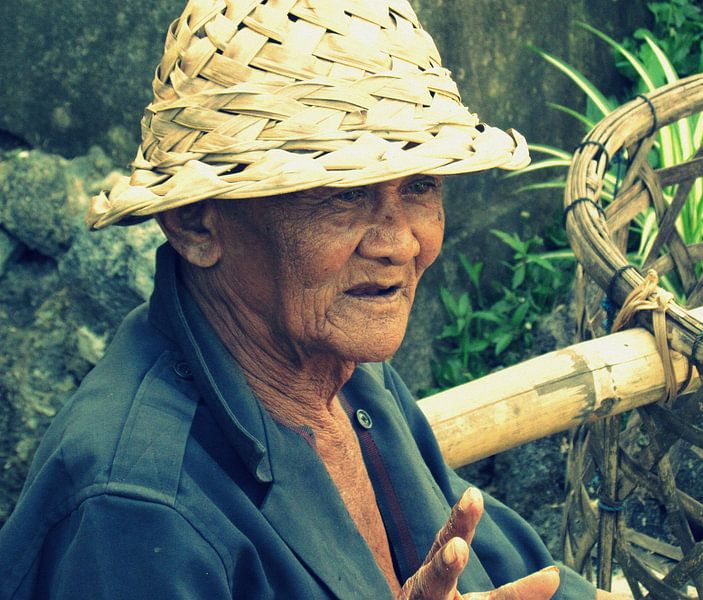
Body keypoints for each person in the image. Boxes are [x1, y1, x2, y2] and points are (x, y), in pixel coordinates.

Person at [0, 1, 624, 598]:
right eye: (342, 193)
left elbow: (508, 571)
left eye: (421, 185)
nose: (399, 243)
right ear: (194, 223)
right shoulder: (134, 508)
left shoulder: (344, 371)